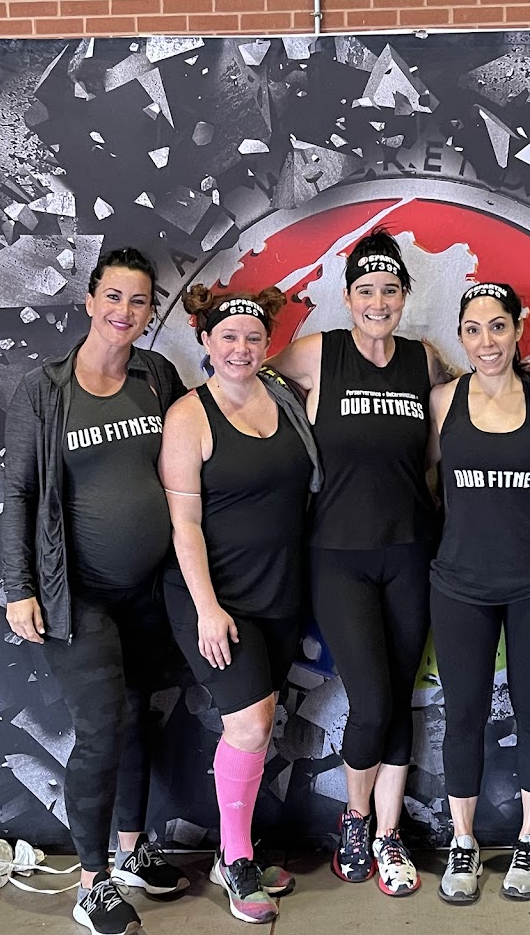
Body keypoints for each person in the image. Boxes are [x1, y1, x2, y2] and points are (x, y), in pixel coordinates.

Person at [268, 230, 530, 897]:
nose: (378, 302)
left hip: (412, 550)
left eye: (389, 291)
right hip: (337, 555)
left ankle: (390, 833)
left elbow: (484, 396)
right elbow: (244, 374)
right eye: (365, 290)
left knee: (399, 694)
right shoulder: (318, 353)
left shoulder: (423, 361)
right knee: (372, 699)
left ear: (404, 297)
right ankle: (356, 818)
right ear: (347, 298)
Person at [3, 248, 189, 935]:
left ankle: (133, 852)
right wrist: (20, 587)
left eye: (139, 301)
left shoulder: (156, 375)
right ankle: (92, 884)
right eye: (113, 297)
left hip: (148, 592)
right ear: (89, 301)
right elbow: (19, 493)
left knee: (138, 717)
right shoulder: (44, 389)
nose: (125, 312)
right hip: (76, 595)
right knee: (103, 727)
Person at [159, 285, 320, 924]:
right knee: (250, 725)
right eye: (228, 336)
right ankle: (236, 859)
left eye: (253, 338)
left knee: (260, 721)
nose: (241, 348)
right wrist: (207, 608)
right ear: (205, 341)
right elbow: (184, 524)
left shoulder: (284, 398)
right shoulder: (189, 416)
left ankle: (238, 850)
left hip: (278, 591)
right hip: (216, 600)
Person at [428, 282, 530, 904]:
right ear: (460, 337)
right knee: (463, 714)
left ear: (518, 329)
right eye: (473, 329)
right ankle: (463, 840)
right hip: (459, 583)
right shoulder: (443, 401)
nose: (486, 341)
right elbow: (413, 477)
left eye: (497, 326)